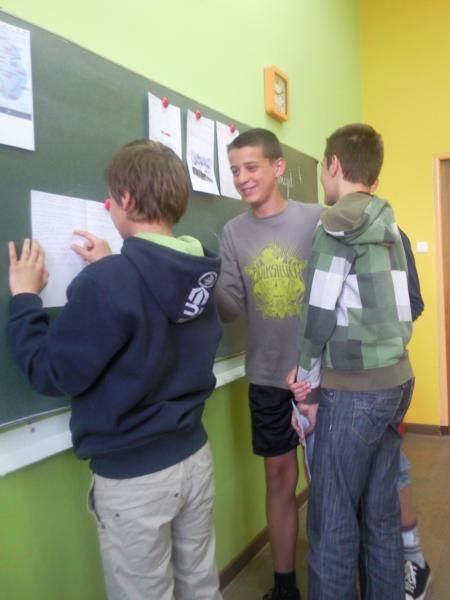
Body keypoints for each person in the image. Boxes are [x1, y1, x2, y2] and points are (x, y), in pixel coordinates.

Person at [7, 139, 223, 600]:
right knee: (201, 586)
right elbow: (158, 321)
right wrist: (116, 264)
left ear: (124, 199)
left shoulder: (110, 281)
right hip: (193, 456)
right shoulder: (200, 270)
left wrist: (25, 299)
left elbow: (51, 372)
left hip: (135, 478)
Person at [288, 123, 415, 600]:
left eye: (323, 168)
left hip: (354, 392)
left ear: (334, 165)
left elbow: (318, 314)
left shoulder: (335, 224)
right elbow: (403, 307)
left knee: (333, 521)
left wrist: (307, 386)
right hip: (396, 380)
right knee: (380, 515)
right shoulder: (390, 225)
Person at [215, 128, 323, 600]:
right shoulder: (233, 233)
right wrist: (205, 279)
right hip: (266, 377)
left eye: (251, 167)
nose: (242, 177)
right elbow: (229, 309)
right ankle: (285, 586)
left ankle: (334, 573)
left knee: (329, 480)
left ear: (278, 167)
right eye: (234, 170)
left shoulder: (316, 219)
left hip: (319, 377)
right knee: (279, 479)